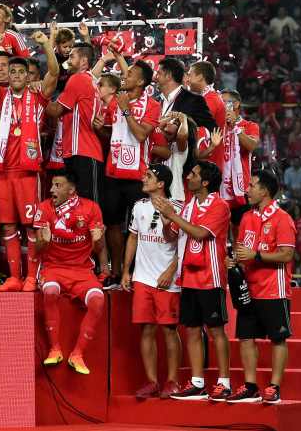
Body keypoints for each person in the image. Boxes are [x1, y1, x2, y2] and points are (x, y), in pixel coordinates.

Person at [0, 29, 60, 292]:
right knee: (8, 225)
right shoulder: (1, 96)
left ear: (28, 76)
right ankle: (15, 277)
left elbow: (54, 73)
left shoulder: (38, 97)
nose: (15, 76)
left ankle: (31, 276)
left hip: (28, 173)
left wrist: (45, 46)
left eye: (21, 72)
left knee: (31, 225)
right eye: (12, 72)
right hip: (4, 170)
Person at [155, 161, 233, 401]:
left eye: (194, 174)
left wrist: (172, 216)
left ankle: (224, 382)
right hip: (188, 277)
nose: (189, 176)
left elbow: (200, 233)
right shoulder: (188, 206)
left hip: (211, 277)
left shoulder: (220, 206)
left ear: (205, 182)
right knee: (191, 329)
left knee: (216, 330)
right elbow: (174, 235)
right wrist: (168, 223)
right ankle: (198, 382)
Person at [226, 170, 296, 405]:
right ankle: (250, 386)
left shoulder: (283, 218)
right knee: (246, 338)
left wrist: (256, 255)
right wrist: (234, 260)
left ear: (264, 190)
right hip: (249, 289)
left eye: (252, 185)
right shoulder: (246, 218)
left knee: (278, 339)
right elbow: (243, 250)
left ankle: (274, 387)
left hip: (273, 289)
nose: (247, 189)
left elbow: (286, 255)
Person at [33, 169, 106, 375]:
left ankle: (78, 354)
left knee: (98, 300)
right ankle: (54, 349)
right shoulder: (44, 208)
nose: (51, 189)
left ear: (71, 190)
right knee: (50, 292)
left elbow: (99, 249)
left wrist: (99, 239)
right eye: (52, 185)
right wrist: (43, 241)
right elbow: (37, 250)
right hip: (53, 267)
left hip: (82, 270)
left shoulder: (91, 208)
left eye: (58, 186)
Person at [99, 55, 161, 288]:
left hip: (138, 177)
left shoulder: (152, 105)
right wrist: (99, 130)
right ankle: (116, 271)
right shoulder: (115, 101)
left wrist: (126, 111)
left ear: (142, 81)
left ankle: (138, 272)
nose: (126, 76)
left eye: (131, 74)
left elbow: (142, 135)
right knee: (113, 224)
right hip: (113, 173)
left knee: (141, 226)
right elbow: (111, 134)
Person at [122, 165, 183, 400]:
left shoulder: (177, 208)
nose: (143, 178)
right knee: (146, 329)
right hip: (143, 278)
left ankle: (172, 381)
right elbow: (133, 237)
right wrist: (127, 271)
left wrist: (171, 270)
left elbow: (184, 244)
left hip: (167, 280)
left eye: (149, 176)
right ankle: (152, 381)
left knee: (169, 330)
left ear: (161, 184)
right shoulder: (139, 207)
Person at [46, 43, 103, 202]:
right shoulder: (90, 79)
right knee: (78, 207)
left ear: (84, 62)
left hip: (83, 152)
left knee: (87, 208)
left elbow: (55, 110)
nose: (68, 60)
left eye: (72, 56)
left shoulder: (78, 79)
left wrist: (39, 95)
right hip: (82, 151)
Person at [220, 90, 260, 225]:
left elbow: (252, 146)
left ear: (236, 104)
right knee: (219, 232)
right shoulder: (218, 126)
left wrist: (235, 128)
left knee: (240, 233)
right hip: (219, 186)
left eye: (224, 102)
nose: (221, 105)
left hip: (241, 187)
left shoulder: (250, 126)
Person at [155, 58, 216, 132]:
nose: (155, 77)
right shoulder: (156, 101)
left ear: (169, 76)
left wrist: (182, 127)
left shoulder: (194, 101)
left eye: (158, 73)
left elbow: (211, 130)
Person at [187, 61, 226, 168]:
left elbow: (193, 124)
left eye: (190, 75)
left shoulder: (211, 99)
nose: (187, 79)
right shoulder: (208, 97)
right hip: (206, 162)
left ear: (200, 77)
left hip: (208, 165)